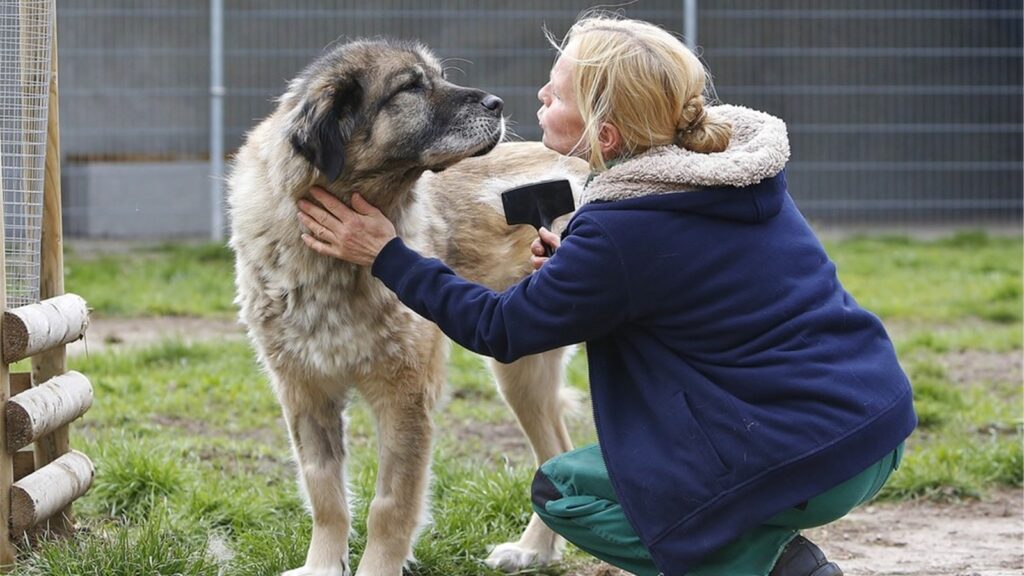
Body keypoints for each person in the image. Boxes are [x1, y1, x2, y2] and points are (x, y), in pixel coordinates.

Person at [296, 14, 916, 576]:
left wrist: (387, 254)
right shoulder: (731, 181)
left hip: (804, 456)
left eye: (557, 92)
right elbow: (691, 281)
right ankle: (760, 535)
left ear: (607, 135)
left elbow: (501, 331)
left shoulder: (625, 231)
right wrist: (583, 275)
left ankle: (777, 564)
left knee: (567, 491)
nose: (539, 95)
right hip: (875, 425)